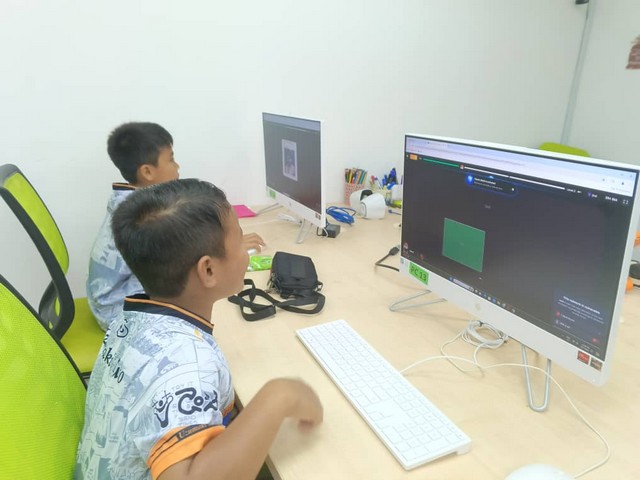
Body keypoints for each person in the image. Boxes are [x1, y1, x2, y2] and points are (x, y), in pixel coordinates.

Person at [75, 179, 323, 480]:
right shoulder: (187, 363)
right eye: (240, 241)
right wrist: (279, 396)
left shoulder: (129, 319)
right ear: (208, 270)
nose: (245, 251)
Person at [87, 122, 265, 329]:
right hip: (114, 311)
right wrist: (228, 250)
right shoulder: (147, 219)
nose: (177, 166)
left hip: (105, 299)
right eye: (171, 159)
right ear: (147, 172)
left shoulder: (128, 203)